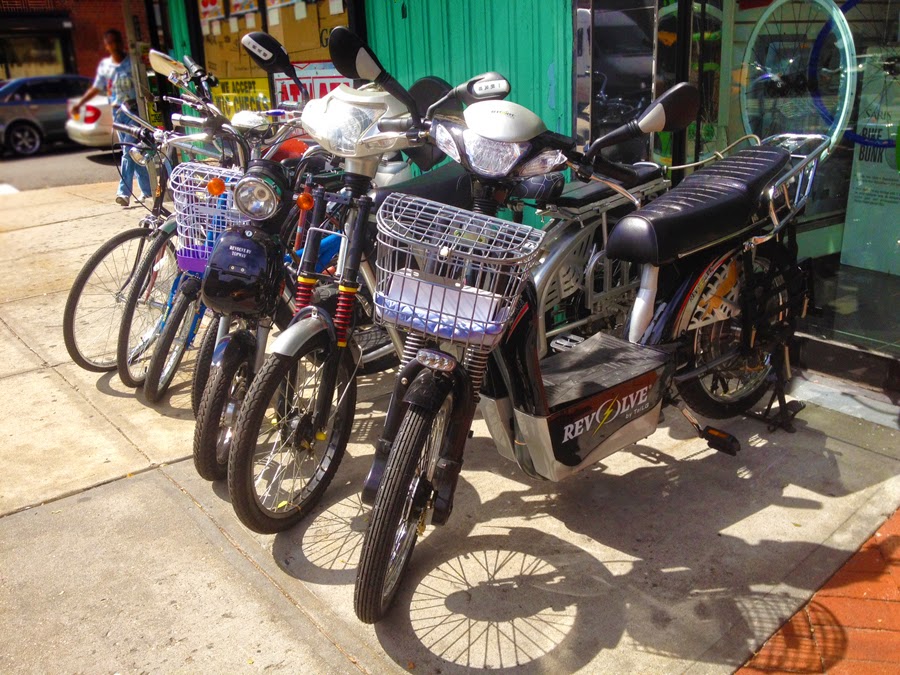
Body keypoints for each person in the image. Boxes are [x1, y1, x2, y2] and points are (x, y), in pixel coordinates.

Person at [72, 29, 152, 207]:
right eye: (109, 43)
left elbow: (144, 83)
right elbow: (97, 87)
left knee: (127, 152)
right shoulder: (105, 66)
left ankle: (123, 193)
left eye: (115, 41)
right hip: (117, 113)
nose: (113, 46)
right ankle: (147, 190)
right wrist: (80, 104)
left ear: (121, 42)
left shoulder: (132, 62)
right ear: (106, 46)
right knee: (132, 154)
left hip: (133, 111)